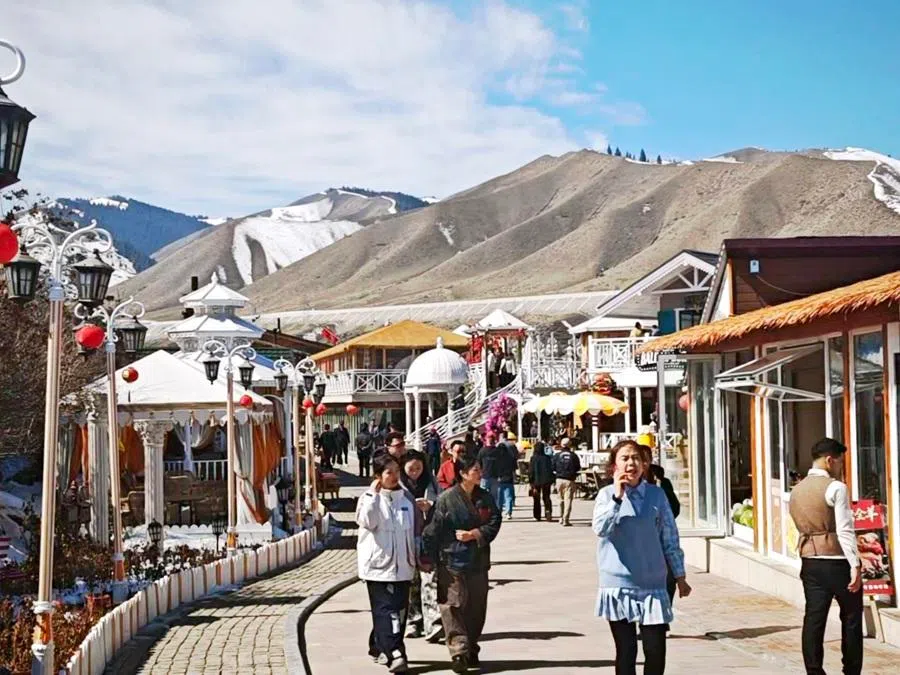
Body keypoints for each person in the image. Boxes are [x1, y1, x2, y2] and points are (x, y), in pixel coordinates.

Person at [593, 440, 691, 675]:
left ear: (644, 464)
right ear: (614, 466)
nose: (631, 463)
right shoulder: (606, 495)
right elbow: (600, 529)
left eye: (636, 458)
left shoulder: (657, 495)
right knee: (626, 651)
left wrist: (680, 576)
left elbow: (669, 538)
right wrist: (618, 498)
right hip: (618, 585)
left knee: (655, 650)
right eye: (625, 458)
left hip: (653, 584)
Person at [788, 438, 862, 675]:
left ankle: (814, 670)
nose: (840, 466)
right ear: (830, 460)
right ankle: (851, 670)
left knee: (814, 618)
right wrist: (855, 564)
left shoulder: (797, 490)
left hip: (810, 560)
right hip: (837, 560)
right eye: (840, 461)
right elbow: (844, 530)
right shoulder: (836, 487)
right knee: (851, 618)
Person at [423, 455, 502, 673]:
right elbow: (432, 531)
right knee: (452, 606)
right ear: (463, 474)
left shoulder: (485, 497)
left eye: (479, 469)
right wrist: (429, 558)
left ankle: (471, 647)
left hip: (478, 560)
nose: (479, 473)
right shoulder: (446, 499)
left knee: (476, 607)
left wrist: (475, 534)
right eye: (475, 470)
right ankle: (458, 651)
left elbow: (495, 521)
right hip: (451, 560)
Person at [357, 454, 422, 673]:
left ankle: (378, 645)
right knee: (387, 611)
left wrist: (419, 557)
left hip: (404, 566)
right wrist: (372, 494)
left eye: (397, 471)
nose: (394, 476)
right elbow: (367, 521)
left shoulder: (406, 499)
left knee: (400, 613)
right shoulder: (369, 499)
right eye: (388, 472)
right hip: (378, 568)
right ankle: (396, 652)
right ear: (378, 476)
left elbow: (415, 531)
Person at [401, 452, 443, 643]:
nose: (415, 472)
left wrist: (431, 505)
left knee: (430, 579)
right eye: (411, 468)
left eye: (419, 468)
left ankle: (433, 623)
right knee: (411, 582)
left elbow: (442, 502)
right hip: (407, 538)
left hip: (428, 537)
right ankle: (413, 621)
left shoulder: (431, 482)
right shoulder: (398, 486)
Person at [552, 438, 581, 526]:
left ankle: (560, 517)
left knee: (560, 500)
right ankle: (566, 519)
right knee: (568, 500)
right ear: (570, 445)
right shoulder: (573, 456)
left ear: (561, 445)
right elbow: (578, 467)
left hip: (559, 479)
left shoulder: (557, 455)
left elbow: (553, 467)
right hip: (569, 480)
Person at [528, 441, 555, 522]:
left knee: (536, 498)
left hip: (536, 481)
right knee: (546, 497)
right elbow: (551, 469)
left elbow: (531, 471)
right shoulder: (547, 458)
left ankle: (537, 515)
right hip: (546, 480)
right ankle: (548, 511)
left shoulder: (533, 458)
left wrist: (530, 481)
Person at [495, 432, 518, 520]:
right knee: (508, 496)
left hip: (499, 479)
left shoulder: (496, 458)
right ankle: (508, 512)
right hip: (508, 478)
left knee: (499, 497)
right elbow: (514, 465)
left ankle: (499, 511)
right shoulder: (510, 455)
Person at [476, 433, 500, 502]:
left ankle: (486, 507)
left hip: (486, 476)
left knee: (483, 496)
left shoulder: (482, 450)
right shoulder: (497, 451)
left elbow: (478, 463)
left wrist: (479, 473)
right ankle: (492, 507)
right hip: (493, 476)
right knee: (494, 497)